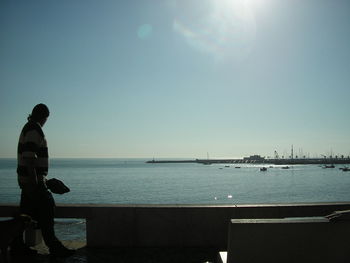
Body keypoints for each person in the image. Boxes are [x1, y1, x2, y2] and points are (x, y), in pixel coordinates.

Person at [13, 103, 75, 257]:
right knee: (47, 210)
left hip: (26, 180)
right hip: (33, 182)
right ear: (44, 117)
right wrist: (35, 182)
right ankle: (54, 248)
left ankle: (17, 246)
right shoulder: (35, 129)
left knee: (26, 214)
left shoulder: (28, 127)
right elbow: (29, 157)